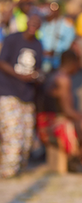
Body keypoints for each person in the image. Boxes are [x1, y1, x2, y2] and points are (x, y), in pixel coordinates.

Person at [0, 14, 43, 178]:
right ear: (26, 22)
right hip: (8, 91)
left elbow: (37, 68)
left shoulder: (38, 45)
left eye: (37, 23)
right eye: (31, 22)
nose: (33, 25)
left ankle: (19, 168)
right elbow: (2, 62)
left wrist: (36, 76)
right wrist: (19, 75)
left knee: (26, 137)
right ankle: (8, 172)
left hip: (27, 94)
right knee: (13, 133)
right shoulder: (12, 39)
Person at [38, 0, 77, 73]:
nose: (48, 8)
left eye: (51, 5)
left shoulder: (67, 25)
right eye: (46, 5)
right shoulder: (40, 23)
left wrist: (55, 52)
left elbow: (68, 45)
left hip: (58, 66)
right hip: (40, 66)